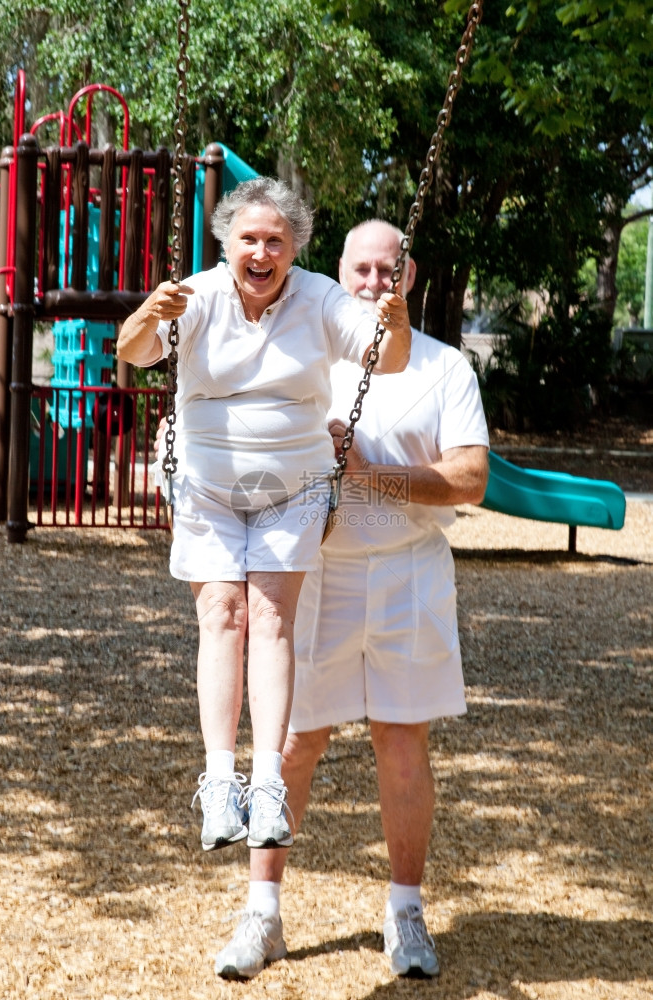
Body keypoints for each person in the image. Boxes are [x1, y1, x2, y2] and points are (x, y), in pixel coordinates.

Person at [213, 219, 490, 980]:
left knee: (401, 744)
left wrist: (373, 476)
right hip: (319, 572)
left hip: (409, 572)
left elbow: (470, 478)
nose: (374, 283)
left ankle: (405, 911)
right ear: (340, 275)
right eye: (360, 271)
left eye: (387, 271)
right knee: (293, 743)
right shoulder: (310, 356)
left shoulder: (444, 368)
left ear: (409, 277)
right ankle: (261, 914)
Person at [117, 182, 412, 856]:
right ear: (228, 245)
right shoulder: (196, 294)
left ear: (294, 248)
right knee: (222, 612)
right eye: (249, 239)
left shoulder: (319, 298)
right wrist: (146, 315)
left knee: (271, 614)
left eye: (275, 240)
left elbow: (385, 361)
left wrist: (394, 326)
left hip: (294, 488)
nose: (261, 251)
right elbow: (134, 353)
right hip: (208, 488)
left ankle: (269, 783)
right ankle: (221, 783)